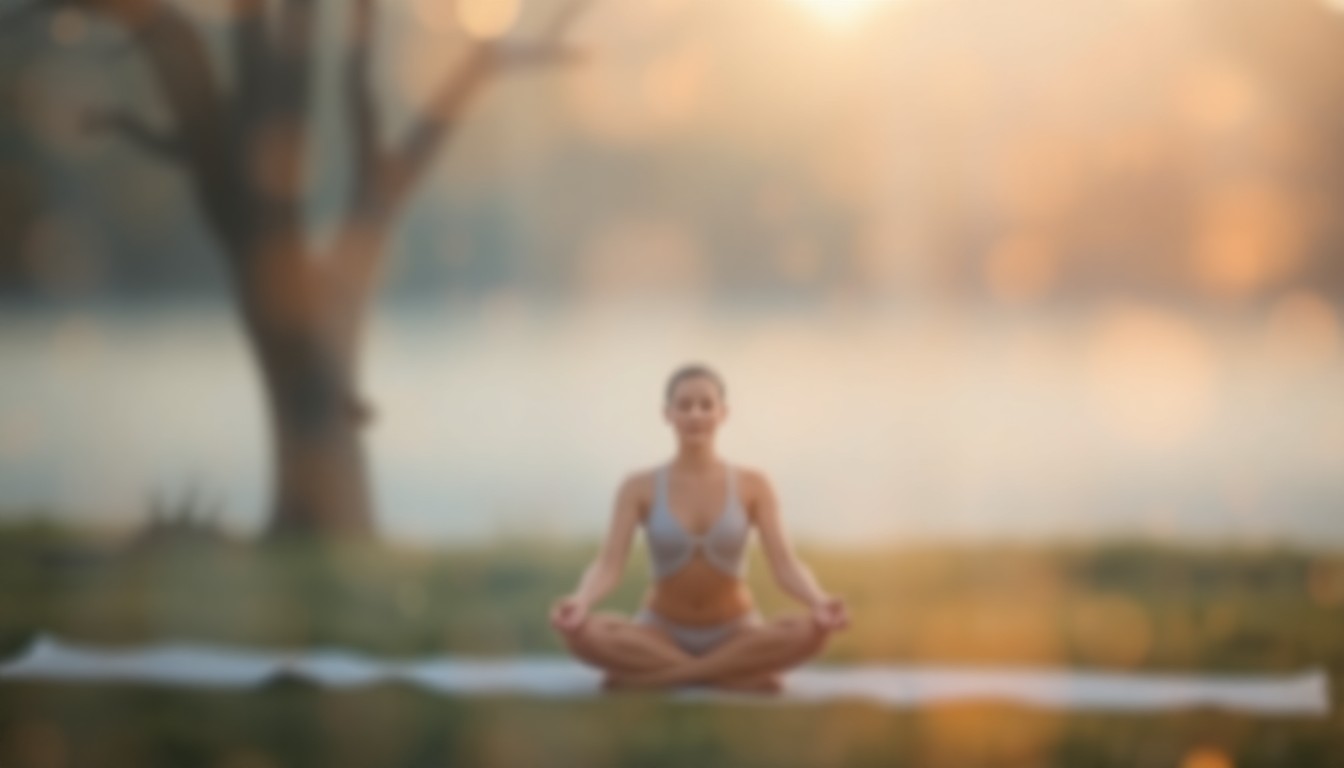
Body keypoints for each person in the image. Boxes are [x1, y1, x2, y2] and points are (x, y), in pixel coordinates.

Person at [549, 363, 850, 693]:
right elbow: (609, 564)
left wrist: (819, 601)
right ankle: (732, 676)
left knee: (809, 631)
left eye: (706, 405)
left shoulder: (754, 484)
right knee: (585, 634)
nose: (695, 414)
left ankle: (657, 677)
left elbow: (785, 565)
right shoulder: (638, 486)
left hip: (736, 631)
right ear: (668, 414)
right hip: (659, 632)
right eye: (684, 405)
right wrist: (581, 600)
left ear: (723, 413)